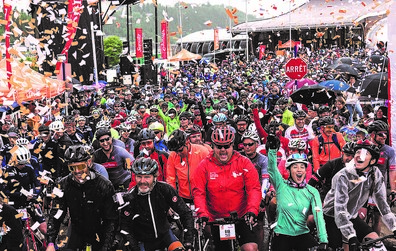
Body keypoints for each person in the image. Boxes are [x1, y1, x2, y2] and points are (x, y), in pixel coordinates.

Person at [193, 126, 261, 251]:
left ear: (233, 146)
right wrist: (202, 214)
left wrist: (252, 210)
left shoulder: (244, 162)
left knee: (251, 248)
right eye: (219, 147)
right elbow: (199, 193)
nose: (223, 150)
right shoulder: (204, 165)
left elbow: (254, 189)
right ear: (213, 146)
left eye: (227, 146)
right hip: (217, 219)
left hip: (241, 216)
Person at [322, 140, 396, 251]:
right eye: (357, 152)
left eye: (365, 153)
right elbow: (340, 209)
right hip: (333, 216)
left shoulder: (375, 173)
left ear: (373, 161)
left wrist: (394, 227)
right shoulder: (343, 175)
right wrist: (351, 235)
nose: (358, 156)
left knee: (376, 243)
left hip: (352, 215)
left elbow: (382, 203)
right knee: (342, 247)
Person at [46, 144, 118, 251]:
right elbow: (56, 214)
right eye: (72, 168)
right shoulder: (62, 184)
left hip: (99, 229)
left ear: (89, 163)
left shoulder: (104, 185)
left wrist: (106, 245)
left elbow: (111, 219)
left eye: (80, 166)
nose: (77, 171)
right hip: (77, 229)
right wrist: (51, 242)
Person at [265, 134, 328, 251]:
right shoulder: (281, 185)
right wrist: (272, 151)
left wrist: (323, 240)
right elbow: (272, 169)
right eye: (295, 167)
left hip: (302, 234)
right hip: (282, 235)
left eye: (302, 167)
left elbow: (318, 215)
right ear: (288, 170)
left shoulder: (312, 191)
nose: (299, 170)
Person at [119, 157, 194, 251]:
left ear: (155, 177)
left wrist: (188, 241)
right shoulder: (130, 198)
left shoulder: (165, 190)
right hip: (143, 240)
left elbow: (185, 213)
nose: (142, 181)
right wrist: (134, 248)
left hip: (165, 235)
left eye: (147, 177)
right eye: (139, 176)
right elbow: (125, 227)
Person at [3, 146, 47, 235]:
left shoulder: (29, 168)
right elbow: (4, 191)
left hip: (29, 201)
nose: (22, 166)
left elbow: (37, 184)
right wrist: (20, 195)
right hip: (15, 204)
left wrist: (35, 194)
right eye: (20, 164)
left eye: (24, 163)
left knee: (44, 229)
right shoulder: (7, 171)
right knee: (14, 231)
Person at [241, 130, 269, 251]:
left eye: (250, 144)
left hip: (257, 193)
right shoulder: (239, 158)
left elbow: (265, 180)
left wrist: (261, 197)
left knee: (258, 225)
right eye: (245, 145)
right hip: (240, 195)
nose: (247, 147)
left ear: (257, 144)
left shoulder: (263, 159)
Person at [166, 129, 209, 202]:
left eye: (180, 150)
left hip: (202, 196)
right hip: (183, 197)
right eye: (175, 151)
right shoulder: (173, 155)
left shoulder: (203, 151)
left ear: (187, 142)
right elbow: (171, 179)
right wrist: (172, 198)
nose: (178, 153)